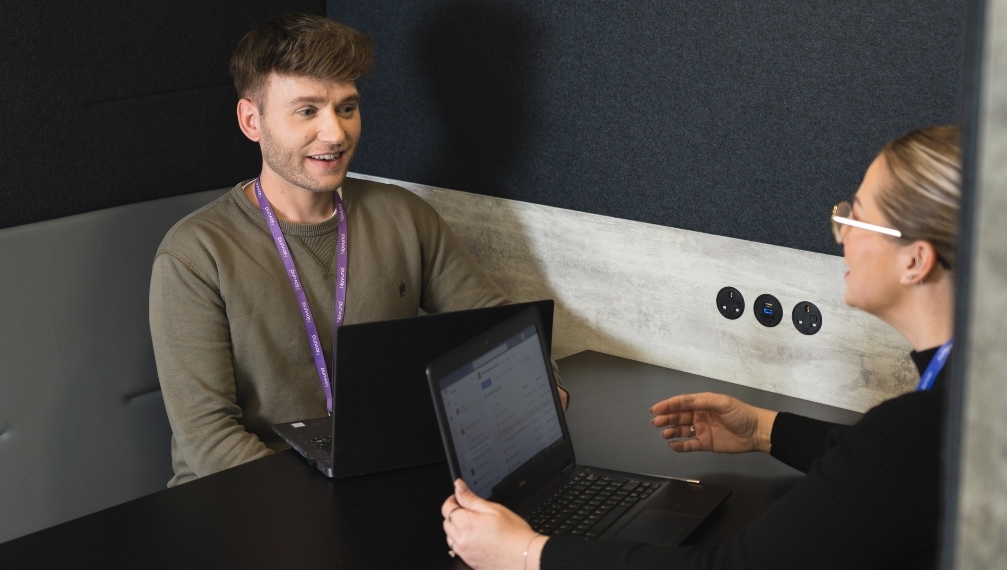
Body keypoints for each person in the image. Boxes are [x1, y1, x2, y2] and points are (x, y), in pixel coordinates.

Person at [440, 125, 961, 569]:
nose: (840, 234)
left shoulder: (926, 423)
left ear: (915, 261)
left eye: (856, 217)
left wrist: (527, 552)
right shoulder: (966, 390)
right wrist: (762, 428)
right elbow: (885, 469)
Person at [149, 13, 567, 487]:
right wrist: (327, 510)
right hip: (242, 500)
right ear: (252, 121)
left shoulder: (404, 215)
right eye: (307, 111)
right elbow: (208, 438)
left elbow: (499, 322)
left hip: (372, 480)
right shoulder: (194, 254)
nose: (336, 134)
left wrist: (544, 386)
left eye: (346, 108)